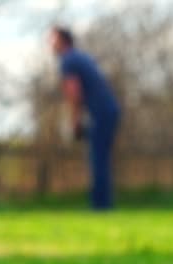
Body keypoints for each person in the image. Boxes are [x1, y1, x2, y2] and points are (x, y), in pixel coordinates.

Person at [50, 26, 121, 210]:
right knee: (100, 157)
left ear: (63, 41)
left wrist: (74, 122)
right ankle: (102, 204)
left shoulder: (68, 60)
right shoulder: (80, 57)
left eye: (53, 40)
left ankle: (100, 206)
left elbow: (74, 94)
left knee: (97, 157)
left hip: (101, 112)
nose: (50, 44)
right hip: (107, 110)